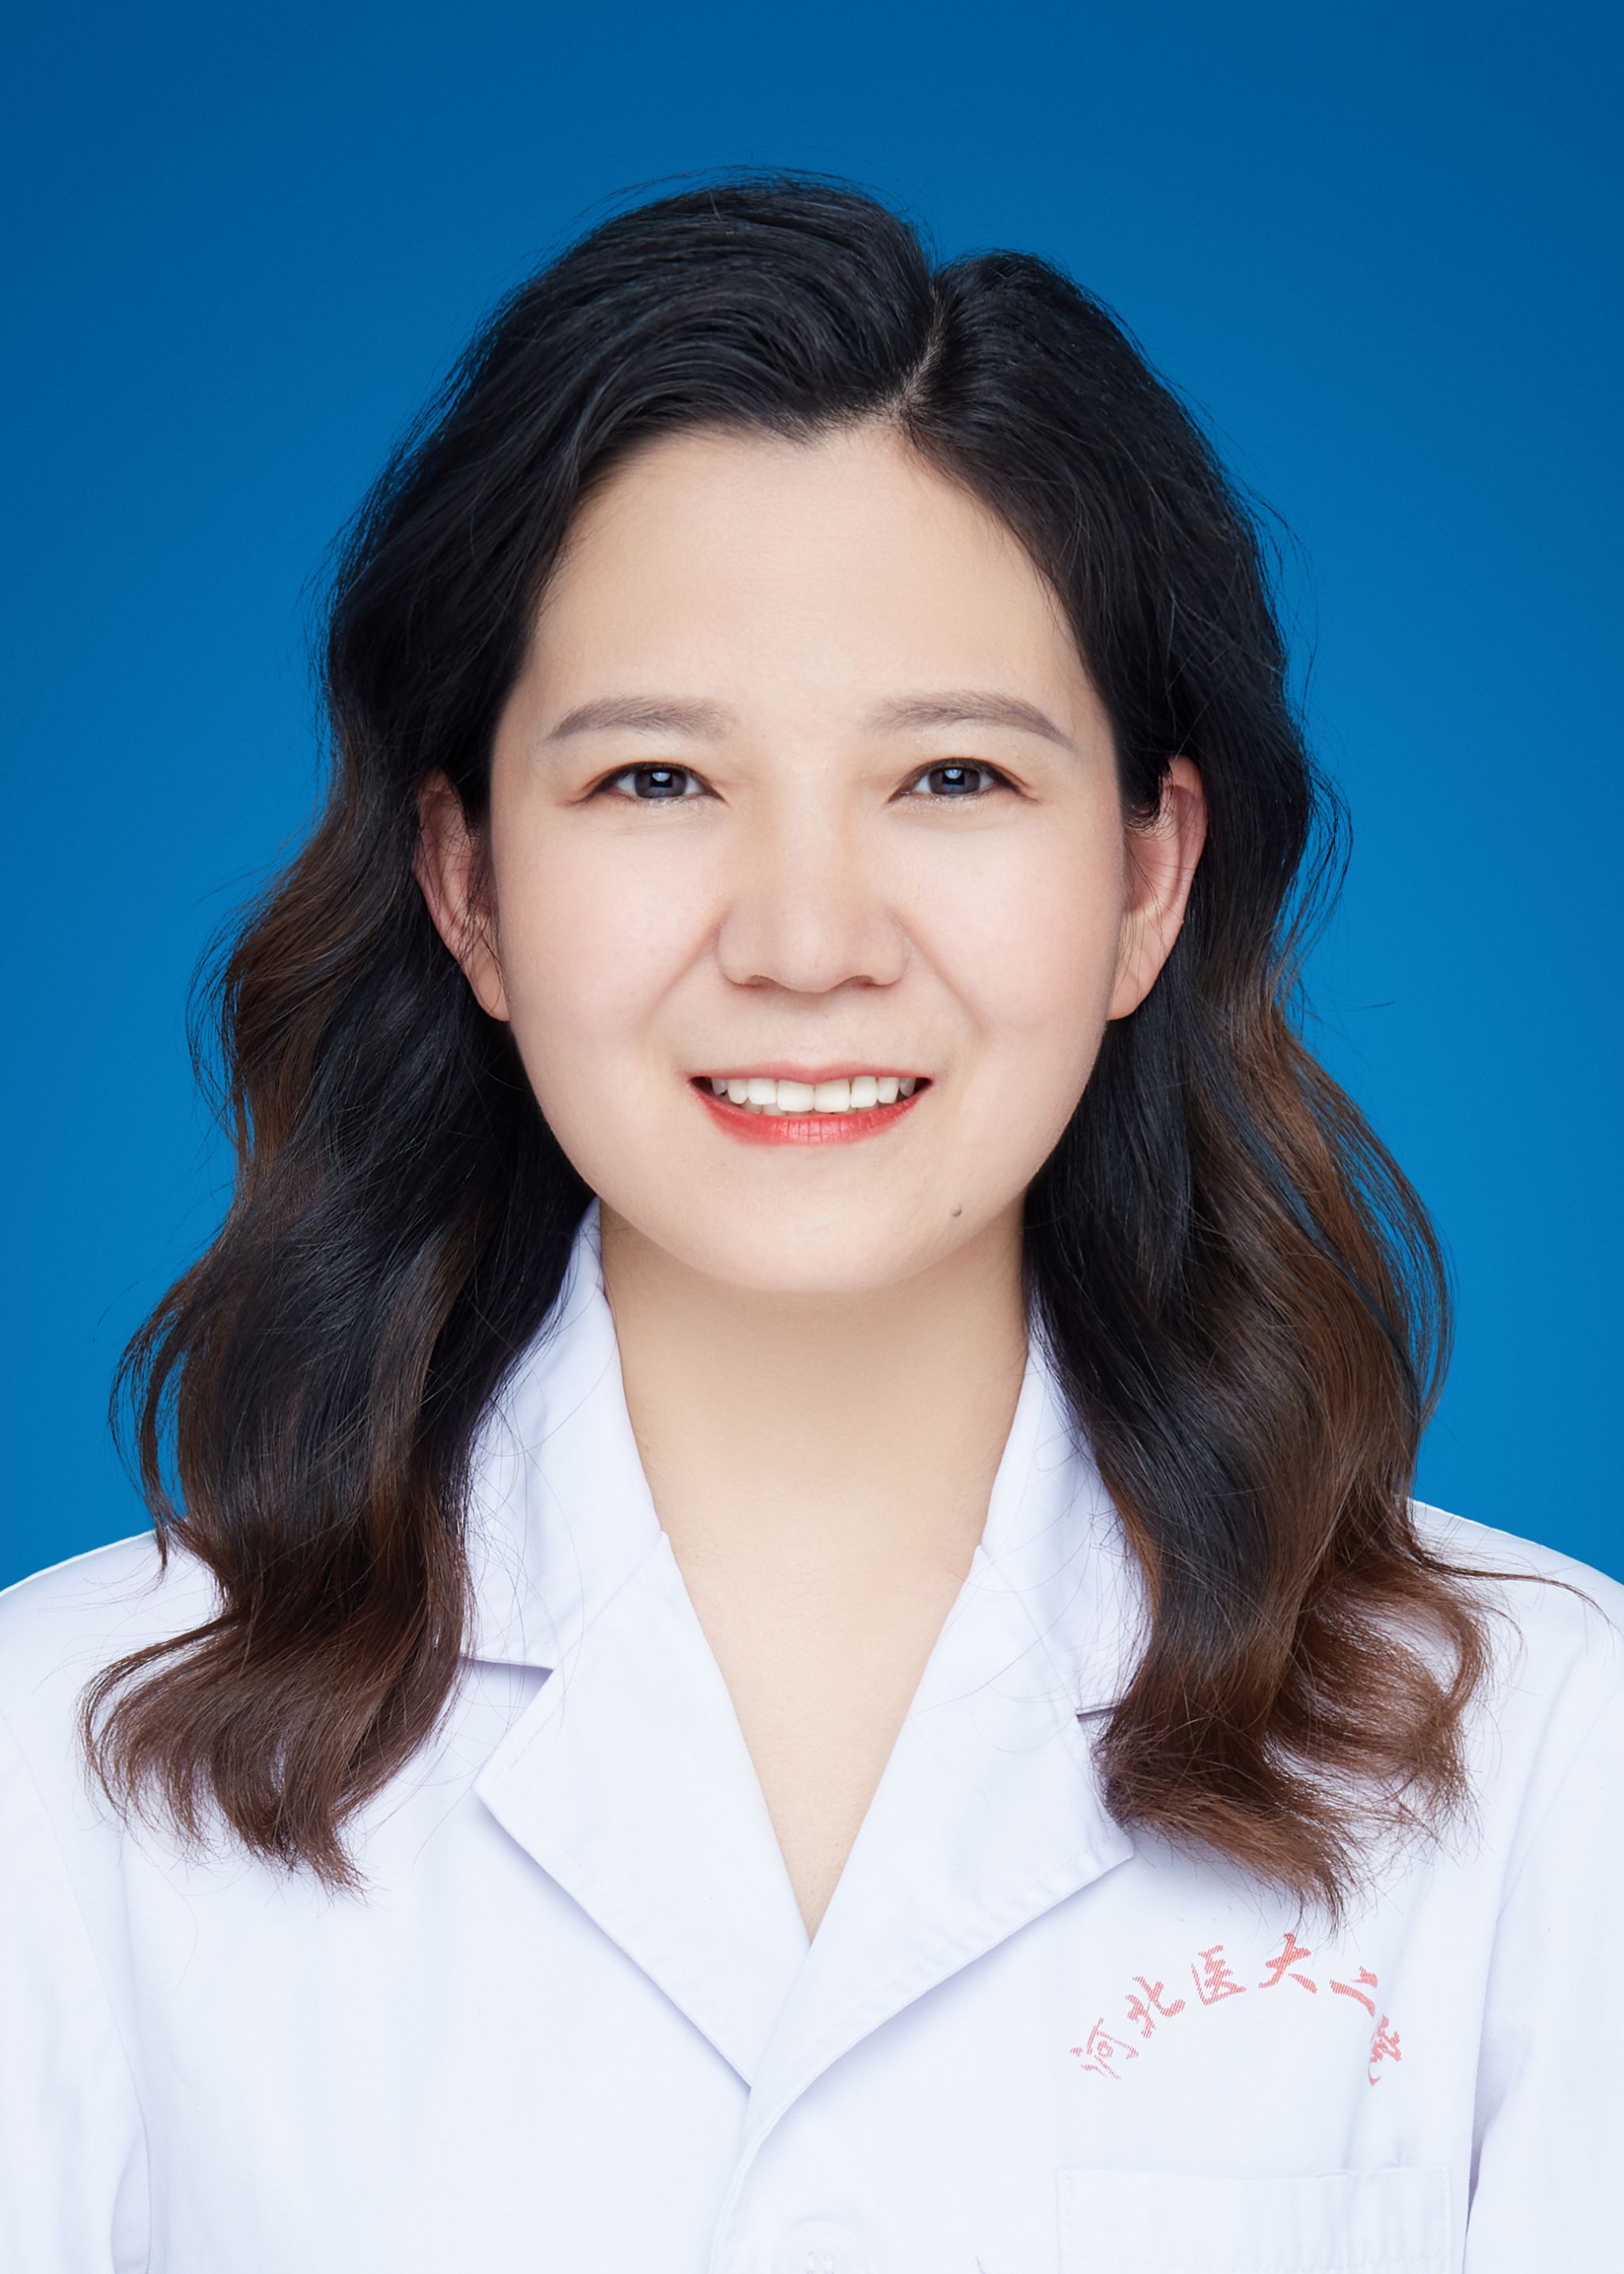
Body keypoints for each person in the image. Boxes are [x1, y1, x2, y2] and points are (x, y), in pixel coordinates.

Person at [1, 175, 1618, 2274]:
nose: (804, 939)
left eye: (951, 778)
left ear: (1149, 879)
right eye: (657, 782)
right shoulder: (70, 1764)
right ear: (468, 885)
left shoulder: (1545, 1755)